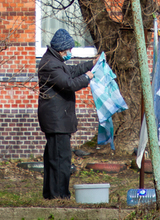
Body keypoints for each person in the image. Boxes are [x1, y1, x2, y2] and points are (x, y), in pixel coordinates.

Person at [37, 28, 96, 200]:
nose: (70, 53)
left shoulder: (54, 60)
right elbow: (68, 83)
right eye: (69, 49)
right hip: (56, 121)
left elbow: (70, 72)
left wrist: (91, 63)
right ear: (61, 48)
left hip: (58, 119)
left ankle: (51, 194)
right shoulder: (50, 65)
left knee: (55, 158)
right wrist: (87, 78)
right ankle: (59, 195)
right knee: (60, 160)